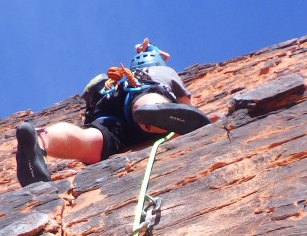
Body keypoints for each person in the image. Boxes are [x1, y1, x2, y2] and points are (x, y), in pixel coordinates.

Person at [15, 39, 211, 187]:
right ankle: (151, 110)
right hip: (139, 94)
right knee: (149, 100)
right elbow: (186, 105)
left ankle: (40, 142)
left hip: (108, 109)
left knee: (91, 141)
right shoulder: (161, 72)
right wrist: (195, 117)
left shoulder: (123, 78)